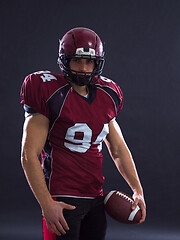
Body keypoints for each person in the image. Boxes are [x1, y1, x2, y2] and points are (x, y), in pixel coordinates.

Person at [20, 27, 146, 240]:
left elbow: (118, 149)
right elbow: (28, 155)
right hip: (62, 198)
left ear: (97, 63)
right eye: (77, 60)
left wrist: (138, 190)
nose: (84, 68)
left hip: (95, 198)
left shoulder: (107, 94)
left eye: (89, 62)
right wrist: (46, 203)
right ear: (65, 61)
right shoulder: (49, 92)